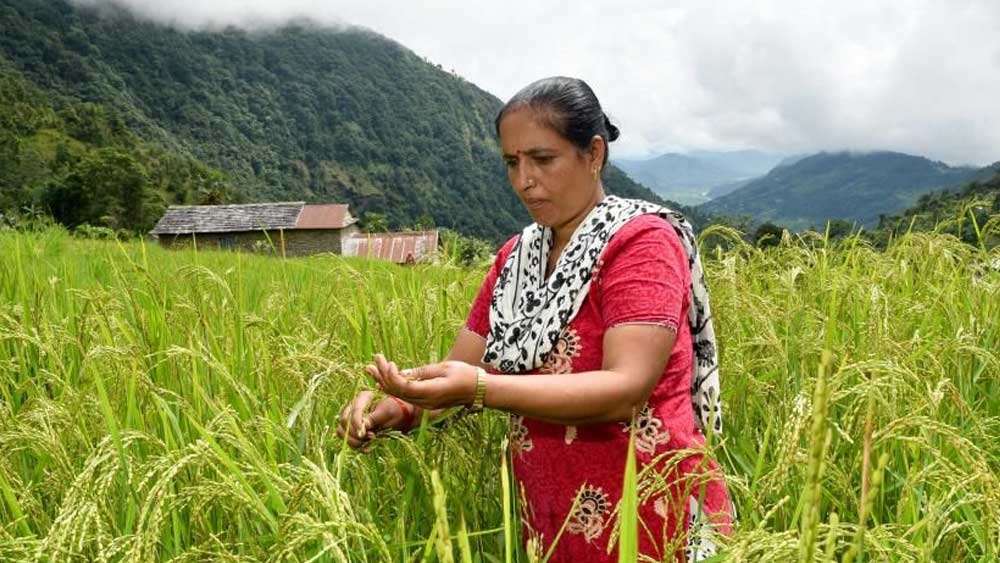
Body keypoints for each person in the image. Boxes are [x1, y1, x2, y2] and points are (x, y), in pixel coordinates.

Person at [337, 76, 732, 562]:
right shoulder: (515, 261)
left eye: (542, 159)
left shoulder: (640, 244)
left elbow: (626, 390)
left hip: (648, 518)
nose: (524, 179)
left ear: (593, 153)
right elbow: (459, 372)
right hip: (551, 521)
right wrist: (398, 406)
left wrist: (478, 389)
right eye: (512, 162)